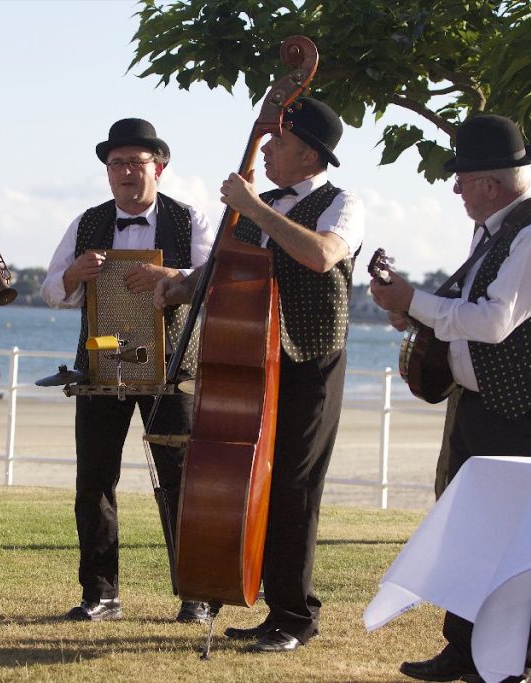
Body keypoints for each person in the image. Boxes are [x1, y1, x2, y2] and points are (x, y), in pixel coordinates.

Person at [369, 114, 531, 683]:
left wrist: (415, 299)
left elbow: (492, 324)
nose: (456, 188)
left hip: (526, 408)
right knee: (467, 530)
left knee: (516, 541)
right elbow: (462, 317)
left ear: (490, 182)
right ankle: (462, 650)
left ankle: (509, 665)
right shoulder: (494, 232)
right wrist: (409, 308)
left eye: (461, 177)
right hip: (479, 402)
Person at [156, 97, 366, 653]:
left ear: (308, 152)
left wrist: (253, 208)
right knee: (259, 481)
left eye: (278, 142)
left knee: (295, 486)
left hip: (311, 357)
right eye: (266, 140)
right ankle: (267, 602)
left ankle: (296, 616)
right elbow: (222, 267)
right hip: (254, 358)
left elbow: (320, 255)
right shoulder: (261, 204)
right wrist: (175, 285)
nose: (266, 149)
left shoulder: (341, 203)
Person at [40, 118, 216, 623]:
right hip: (100, 369)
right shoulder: (87, 221)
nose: (125, 172)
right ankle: (101, 594)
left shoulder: (191, 219)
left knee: (182, 483)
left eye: (136, 163)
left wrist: (173, 276)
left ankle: (196, 595)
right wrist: (73, 274)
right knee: (94, 482)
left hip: (173, 369)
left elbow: (215, 281)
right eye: (116, 164)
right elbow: (53, 291)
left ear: (158, 168)